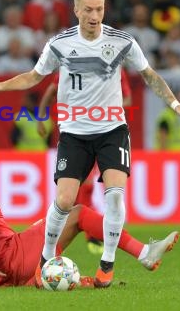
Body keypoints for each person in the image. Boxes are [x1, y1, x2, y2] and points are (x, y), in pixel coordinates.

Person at [0, 0, 180, 288]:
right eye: (88, 10)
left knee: (114, 196)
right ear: (76, 11)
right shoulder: (60, 44)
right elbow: (34, 77)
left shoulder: (122, 41)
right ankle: (45, 260)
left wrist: (176, 105)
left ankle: (106, 266)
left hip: (112, 130)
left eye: (99, 9)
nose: (94, 15)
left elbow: (150, 75)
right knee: (65, 199)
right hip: (74, 133)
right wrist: (1, 86)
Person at [0, 143, 179, 287]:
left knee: (52, 226)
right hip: (13, 256)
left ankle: (73, 282)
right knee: (77, 213)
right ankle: (144, 253)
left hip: (0, 278)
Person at [36, 68, 134, 256]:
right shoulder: (72, 63)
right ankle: (79, 232)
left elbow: (128, 99)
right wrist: (41, 118)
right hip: (76, 136)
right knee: (71, 194)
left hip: (106, 134)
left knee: (95, 189)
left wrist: (102, 104)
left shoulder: (116, 69)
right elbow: (51, 91)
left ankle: (91, 234)